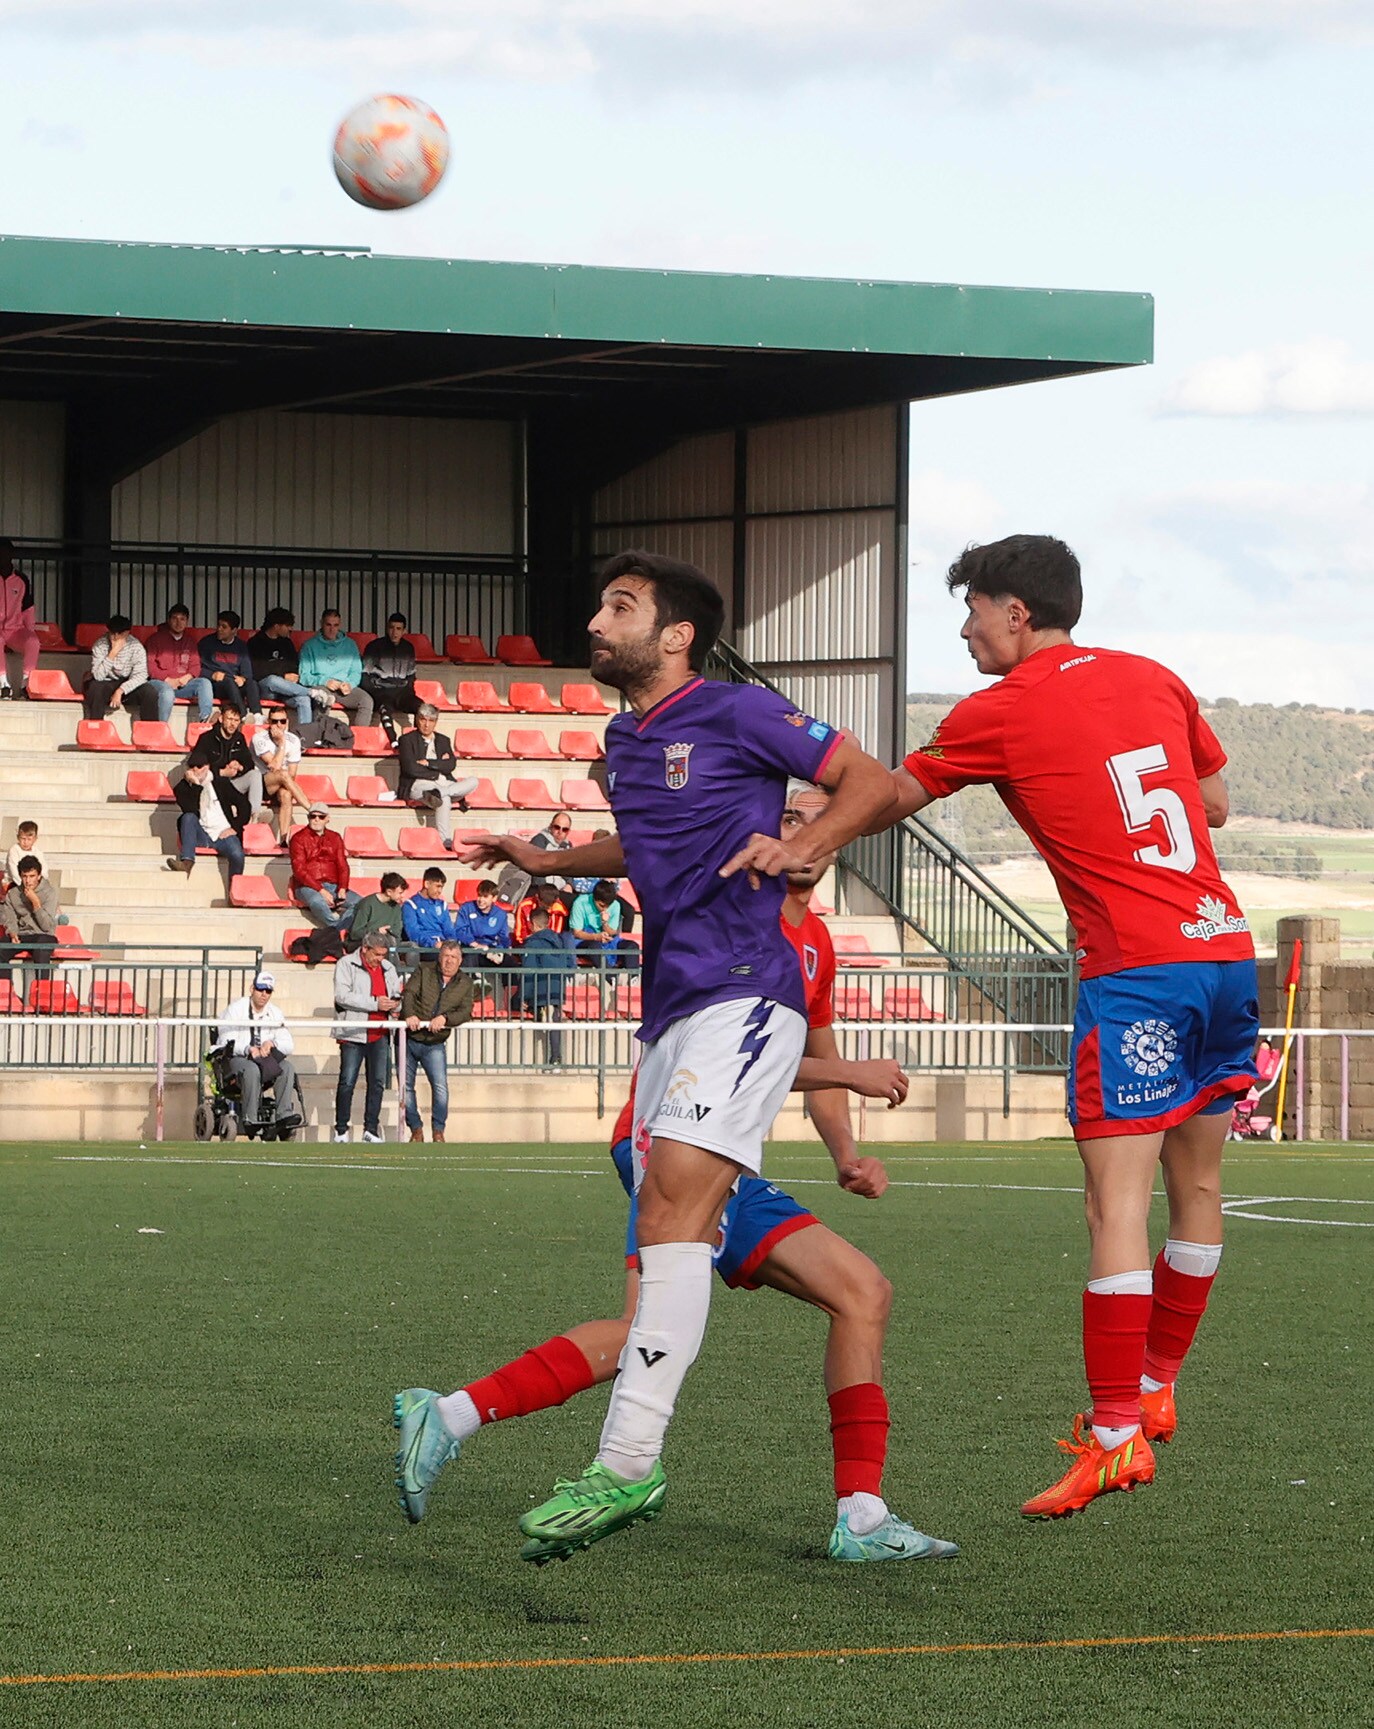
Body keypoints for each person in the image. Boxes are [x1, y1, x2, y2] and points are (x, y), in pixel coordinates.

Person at [460, 548, 894, 1561]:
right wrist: (548, 858)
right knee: (669, 1228)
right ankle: (633, 1463)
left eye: (621, 605)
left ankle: (626, 1463)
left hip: (745, 995)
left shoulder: (741, 711)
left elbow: (871, 779)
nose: (598, 619)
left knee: (675, 1212)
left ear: (676, 635)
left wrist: (810, 841)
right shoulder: (627, 733)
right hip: (671, 1013)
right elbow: (647, 849)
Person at [396, 783, 955, 1564]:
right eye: (785, 816)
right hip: (671, 1135)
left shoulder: (817, 946)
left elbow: (810, 1057)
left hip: (713, 1150)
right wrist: (548, 856)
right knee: (847, 1295)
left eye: (814, 820)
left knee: (695, 1325)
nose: (798, 830)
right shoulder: (726, 907)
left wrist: (845, 1155)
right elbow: (746, 1050)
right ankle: (844, 1514)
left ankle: (448, 1414)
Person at [874, 533, 1260, 1520]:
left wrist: (806, 835)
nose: (965, 628)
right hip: (1222, 951)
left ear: (1017, 611)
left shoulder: (1001, 706)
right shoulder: (1154, 676)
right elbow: (1211, 802)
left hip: (1137, 972)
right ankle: (1161, 1387)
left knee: (1112, 1207)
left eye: (974, 610)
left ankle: (1116, 1436)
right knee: (1200, 1182)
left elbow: (900, 794)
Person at [400, 939, 474, 1143]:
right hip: (409, 1038)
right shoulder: (423, 971)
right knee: (405, 1087)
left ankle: (438, 1130)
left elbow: (465, 1011)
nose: (449, 961)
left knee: (440, 1087)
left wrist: (445, 1019)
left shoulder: (466, 983)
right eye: (446, 956)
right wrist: (410, 1014)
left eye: (453, 957)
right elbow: (409, 994)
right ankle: (415, 1129)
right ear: (439, 957)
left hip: (435, 1042)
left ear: (460, 961)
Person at [333, 932, 401, 1144]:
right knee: (347, 1082)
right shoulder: (346, 964)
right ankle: (341, 1130)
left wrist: (396, 1005)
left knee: (378, 1083)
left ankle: (370, 1129)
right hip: (353, 1032)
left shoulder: (389, 968)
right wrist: (375, 1003)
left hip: (380, 1033)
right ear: (365, 949)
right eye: (378, 954)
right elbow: (341, 996)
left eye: (384, 954)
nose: (381, 959)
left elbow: (394, 994)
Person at [217, 971, 300, 1132]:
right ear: (252, 989)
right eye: (260, 989)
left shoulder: (275, 1012)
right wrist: (249, 1048)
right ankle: (250, 1118)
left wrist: (272, 1043)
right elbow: (225, 1040)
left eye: (268, 991)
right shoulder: (235, 1009)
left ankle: (284, 1115)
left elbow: (288, 1043)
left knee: (287, 1067)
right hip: (239, 1058)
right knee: (251, 1069)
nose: (264, 994)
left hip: (265, 1059)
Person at [396, 704, 479, 849]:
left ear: (436, 722)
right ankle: (445, 841)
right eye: (423, 720)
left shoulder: (443, 740)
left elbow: (451, 765)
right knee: (444, 799)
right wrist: (438, 767)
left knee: (473, 781)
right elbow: (410, 769)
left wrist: (428, 762)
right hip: (419, 783)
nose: (426, 725)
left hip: (443, 784)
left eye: (431, 721)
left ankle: (440, 793)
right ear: (417, 720)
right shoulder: (406, 740)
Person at [513, 906, 577, 1063]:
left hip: (540, 989)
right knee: (555, 1018)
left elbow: (529, 971)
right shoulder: (561, 940)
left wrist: (523, 996)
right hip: (557, 988)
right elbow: (571, 964)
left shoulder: (532, 944)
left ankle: (541, 1015)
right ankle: (556, 1057)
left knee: (516, 1004)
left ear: (532, 924)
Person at [168, 761, 248, 879]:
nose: (195, 769)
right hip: (202, 834)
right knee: (188, 817)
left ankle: (235, 889)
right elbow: (190, 810)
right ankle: (187, 862)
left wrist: (235, 827)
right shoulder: (182, 788)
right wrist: (196, 785)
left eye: (199, 766)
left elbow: (245, 805)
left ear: (207, 767)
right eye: (191, 766)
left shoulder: (221, 783)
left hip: (223, 833)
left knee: (237, 854)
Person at [298, 608, 374, 729]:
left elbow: (356, 671)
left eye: (335, 625)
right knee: (323, 698)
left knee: (366, 700)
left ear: (340, 625)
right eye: (328, 624)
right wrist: (324, 681)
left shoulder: (350, 644)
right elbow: (304, 676)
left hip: (344, 687)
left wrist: (350, 684)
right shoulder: (309, 646)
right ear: (321, 623)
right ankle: (319, 737)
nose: (332, 629)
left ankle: (357, 739)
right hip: (322, 686)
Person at [185, 702, 263, 818]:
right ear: (221, 719)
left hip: (233, 784)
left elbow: (249, 764)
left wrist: (239, 767)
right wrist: (221, 772)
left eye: (236, 720)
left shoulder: (239, 738)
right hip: (212, 785)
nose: (233, 724)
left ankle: (254, 815)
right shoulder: (207, 738)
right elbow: (196, 766)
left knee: (255, 774)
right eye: (230, 719)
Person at [289, 802, 358, 931]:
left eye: (320, 817)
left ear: (327, 819)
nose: (316, 820)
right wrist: (321, 890)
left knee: (361, 904)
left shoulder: (335, 837)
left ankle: (338, 930)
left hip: (333, 885)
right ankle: (337, 929)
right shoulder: (298, 839)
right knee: (317, 902)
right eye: (312, 816)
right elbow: (299, 870)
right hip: (307, 886)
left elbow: (343, 865)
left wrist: (343, 887)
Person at [142, 603, 214, 724]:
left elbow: (196, 666)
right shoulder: (155, 639)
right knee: (167, 692)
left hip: (182, 684)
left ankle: (205, 720)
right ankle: (162, 726)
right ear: (168, 620)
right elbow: (150, 667)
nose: (178, 622)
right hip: (159, 683)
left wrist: (188, 677)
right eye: (175, 618)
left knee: (204, 683)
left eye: (182, 619)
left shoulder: (190, 642)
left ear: (187, 621)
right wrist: (167, 680)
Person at [253, 708, 311, 844]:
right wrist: (282, 744)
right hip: (261, 783)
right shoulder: (259, 738)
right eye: (275, 721)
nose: (279, 725)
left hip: (281, 783)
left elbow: (292, 773)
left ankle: (284, 839)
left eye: (282, 721)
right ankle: (311, 808)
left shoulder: (294, 740)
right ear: (268, 722)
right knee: (282, 774)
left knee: (286, 794)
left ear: (287, 722)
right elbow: (274, 766)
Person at [361, 613, 422, 743]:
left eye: (398, 629)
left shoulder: (408, 648)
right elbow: (365, 676)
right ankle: (393, 742)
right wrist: (376, 692)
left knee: (423, 708)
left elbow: (411, 676)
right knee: (385, 710)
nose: (394, 632)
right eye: (391, 628)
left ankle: (418, 742)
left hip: (402, 693)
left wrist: (409, 692)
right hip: (382, 692)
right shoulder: (374, 646)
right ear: (387, 628)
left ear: (404, 630)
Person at [0, 854, 60, 983]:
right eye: (25, 876)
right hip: (22, 935)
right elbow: (10, 918)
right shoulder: (13, 894)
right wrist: (12, 932)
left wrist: (36, 903)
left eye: (32, 876)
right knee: (1, 947)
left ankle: (41, 992)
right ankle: (6, 992)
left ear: (39, 876)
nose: (28, 881)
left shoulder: (49, 892)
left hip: (43, 934)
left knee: (42, 947)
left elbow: (47, 926)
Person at [247, 607, 311, 727]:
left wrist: (290, 675)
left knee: (304, 700)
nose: (290, 629)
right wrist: (282, 674)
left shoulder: (287, 643)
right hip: (267, 690)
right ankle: (311, 692)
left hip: (287, 690)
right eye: (287, 626)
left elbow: (293, 665)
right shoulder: (255, 643)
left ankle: (305, 737)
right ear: (276, 626)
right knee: (272, 679)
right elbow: (257, 671)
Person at [496, 812, 573, 908]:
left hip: (559, 889)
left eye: (564, 829)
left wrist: (569, 884)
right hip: (540, 887)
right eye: (557, 827)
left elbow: (569, 868)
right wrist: (547, 890)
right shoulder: (539, 841)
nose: (560, 832)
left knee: (574, 901)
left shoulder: (567, 845)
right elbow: (537, 869)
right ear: (551, 827)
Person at [83, 615, 148, 720]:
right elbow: (98, 676)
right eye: (112, 633)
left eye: (120, 634)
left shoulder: (136, 647)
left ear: (127, 633)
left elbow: (141, 675)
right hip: (106, 682)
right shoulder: (100, 645)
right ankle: (96, 725)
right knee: (95, 688)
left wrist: (121, 690)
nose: (115, 637)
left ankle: (150, 731)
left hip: (127, 684)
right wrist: (112, 654)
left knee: (150, 692)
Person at [198, 610, 261, 718]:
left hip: (234, 684)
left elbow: (248, 673)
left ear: (234, 630)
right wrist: (212, 675)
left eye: (224, 627)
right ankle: (242, 716)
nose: (219, 629)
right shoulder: (206, 643)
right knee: (228, 682)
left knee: (252, 683)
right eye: (218, 625)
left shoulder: (241, 646)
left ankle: (257, 716)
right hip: (216, 685)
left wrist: (243, 679)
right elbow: (197, 668)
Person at [568, 879, 639, 970]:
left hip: (608, 941)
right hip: (585, 940)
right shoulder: (580, 903)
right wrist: (596, 937)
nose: (604, 909)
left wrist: (604, 923)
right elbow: (577, 933)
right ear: (594, 898)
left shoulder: (615, 905)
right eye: (601, 905)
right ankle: (610, 977)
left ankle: (633, 979)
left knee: (632, 946)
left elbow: (612, 931)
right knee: (594, 947)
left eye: (608, 906)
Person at [0, 538, 38, 700]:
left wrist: (29, 631)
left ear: (11, 555)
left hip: (15, 630)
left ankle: (25, 684)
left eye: (5, 553)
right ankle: (3, 685)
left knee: (33, 642)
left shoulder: (22, 579)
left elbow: (27, 608)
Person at [346, 871, 410, 952]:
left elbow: (397, 933)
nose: (402, 896)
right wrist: (376, 932)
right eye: (400, 893)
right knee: (387, 942)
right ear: (389, 892)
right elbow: (355, 933)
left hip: (389, 942)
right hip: (364, 943)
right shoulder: (367, 904)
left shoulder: (396, 907)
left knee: (412, 948)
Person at [452, 879, 511, 962]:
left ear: (494, 898)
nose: (481, 900)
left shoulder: (501, 914)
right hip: (471, 947)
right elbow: (459, 930)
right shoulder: (466, 908)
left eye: (485, 897)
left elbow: (503, 937)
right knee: (470, 958)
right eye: (479, 895)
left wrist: (500, 951)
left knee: (510, 962)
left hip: (491, 949)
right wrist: (475, 944)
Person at [402, 867, 458, 950]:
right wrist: (433, 944)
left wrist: (451, 943)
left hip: (444, 947)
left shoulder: (442, 905)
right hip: (424, 948)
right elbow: (414, 933)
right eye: (437, 886)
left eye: (441, 887)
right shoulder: (410, 905)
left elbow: (449, 930)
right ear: (427, 884)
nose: (440, 891)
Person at [513, 881, 567, 946]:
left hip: (548, 945)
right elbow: (520, 932)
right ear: (537, 897)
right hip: (527, 944)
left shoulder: (558, 910)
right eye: (545, 905)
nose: (548, 908)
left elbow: (555, 934)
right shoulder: (524, 906)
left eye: (550, 905)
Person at [5, 820, 45, 887]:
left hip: (33, 883)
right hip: (15, 883)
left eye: (29, 839)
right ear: (18, 837)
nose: (26, 842)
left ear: (35, 839)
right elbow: (14, 874)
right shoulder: (14, 850)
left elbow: (44, 870)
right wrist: (25, 886)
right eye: (23, 838)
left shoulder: (38, 852)